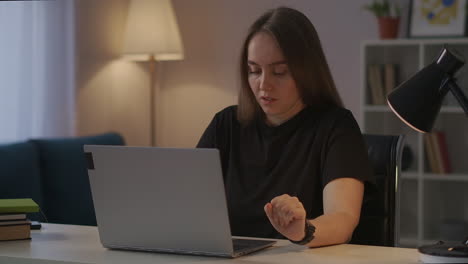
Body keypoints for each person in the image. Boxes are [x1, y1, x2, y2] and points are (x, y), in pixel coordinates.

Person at [197, 6, 373, 248]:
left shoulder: (336, 126)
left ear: (307, 72)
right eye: (254, 71)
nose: (263, 85)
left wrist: (305, 230)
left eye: (279, 72)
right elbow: (189, 203)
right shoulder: (225, 124)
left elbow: (343, 219)